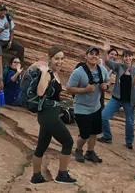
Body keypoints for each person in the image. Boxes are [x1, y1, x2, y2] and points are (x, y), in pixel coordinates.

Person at [30, 46, 76, 185]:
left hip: (47, 115)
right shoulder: (48, 73)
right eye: (57, 58)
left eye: (62, 59)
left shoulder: (55, 73)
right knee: (68, 142)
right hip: (49, 116)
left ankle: (36, 177)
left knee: (41, 146)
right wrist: (44, 73)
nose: (60, 61)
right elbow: (40, 92)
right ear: (50, 58)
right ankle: (62, 175)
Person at [66, 46, 109, 164]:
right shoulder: (78, 72)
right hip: (82, 108)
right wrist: (84, 90)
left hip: (96, 107)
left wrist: (106, 86)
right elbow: (69, 88)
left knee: (94, 132)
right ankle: (78, 150)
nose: (94, 56)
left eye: (96, 54)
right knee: (84, 134)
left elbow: (107, 80)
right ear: (86, 56)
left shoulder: (102, 70)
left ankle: (90, 152)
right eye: (91, 54)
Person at [98, 42, 135, 149]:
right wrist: (105, 51)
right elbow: (107, 61)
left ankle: (129, 141)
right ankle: (107, 136)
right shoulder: (119, 67)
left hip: (129, 100)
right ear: (123, 58)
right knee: (103, 116)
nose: (128, 58)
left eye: (129, 56)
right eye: (126, 56)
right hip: (116, 98)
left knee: (130, 122)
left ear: (132, 57)